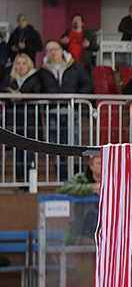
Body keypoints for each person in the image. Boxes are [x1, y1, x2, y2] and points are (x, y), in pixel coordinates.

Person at [39, 39, 94, 181]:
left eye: (54, 49)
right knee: (55, 146)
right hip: (52, 112)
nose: (52, 53)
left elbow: (88, 83)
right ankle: (62, 177)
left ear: (61, 50)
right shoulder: (44, 70)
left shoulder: (76, 66)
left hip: (71, 111)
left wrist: (77, 97)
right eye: (49, 50)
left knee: (74, 144)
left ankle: (76, 175)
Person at [1, 53, 42, 183]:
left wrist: (22, 95)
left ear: (28, 65)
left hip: (30, 119)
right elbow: (2, 89)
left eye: (23, 63)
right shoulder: (10, 79)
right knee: (17, 151)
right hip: (14, 120)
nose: (21, 66)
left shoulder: (35, 77)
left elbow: (37, 91)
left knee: (29, 150)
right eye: (18, 63)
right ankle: (20, 180)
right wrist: (10, 94)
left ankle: (31, 181)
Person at [59, 154, 101, 245]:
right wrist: (92, 188)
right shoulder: (81, 178)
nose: (101, 166)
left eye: (103, 163)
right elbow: (65, 188)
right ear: (91, 166)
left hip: (105, 227)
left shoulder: (112, 178)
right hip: (82, 228)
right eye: (98, 163)